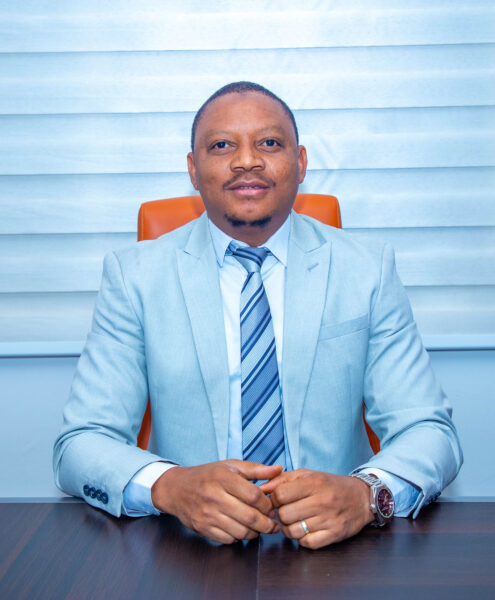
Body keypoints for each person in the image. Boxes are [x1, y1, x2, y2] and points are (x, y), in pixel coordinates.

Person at [53, 81, 462, 549]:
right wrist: (169, 486)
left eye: (269, 143)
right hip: (190, 549)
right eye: (221, 146)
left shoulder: (367, 269)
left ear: (301, 162)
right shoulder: (135, 277)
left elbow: (429, 431)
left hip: (336, 547)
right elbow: (80, 443)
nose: (247, 160)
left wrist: (366, 494)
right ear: (192, 169)